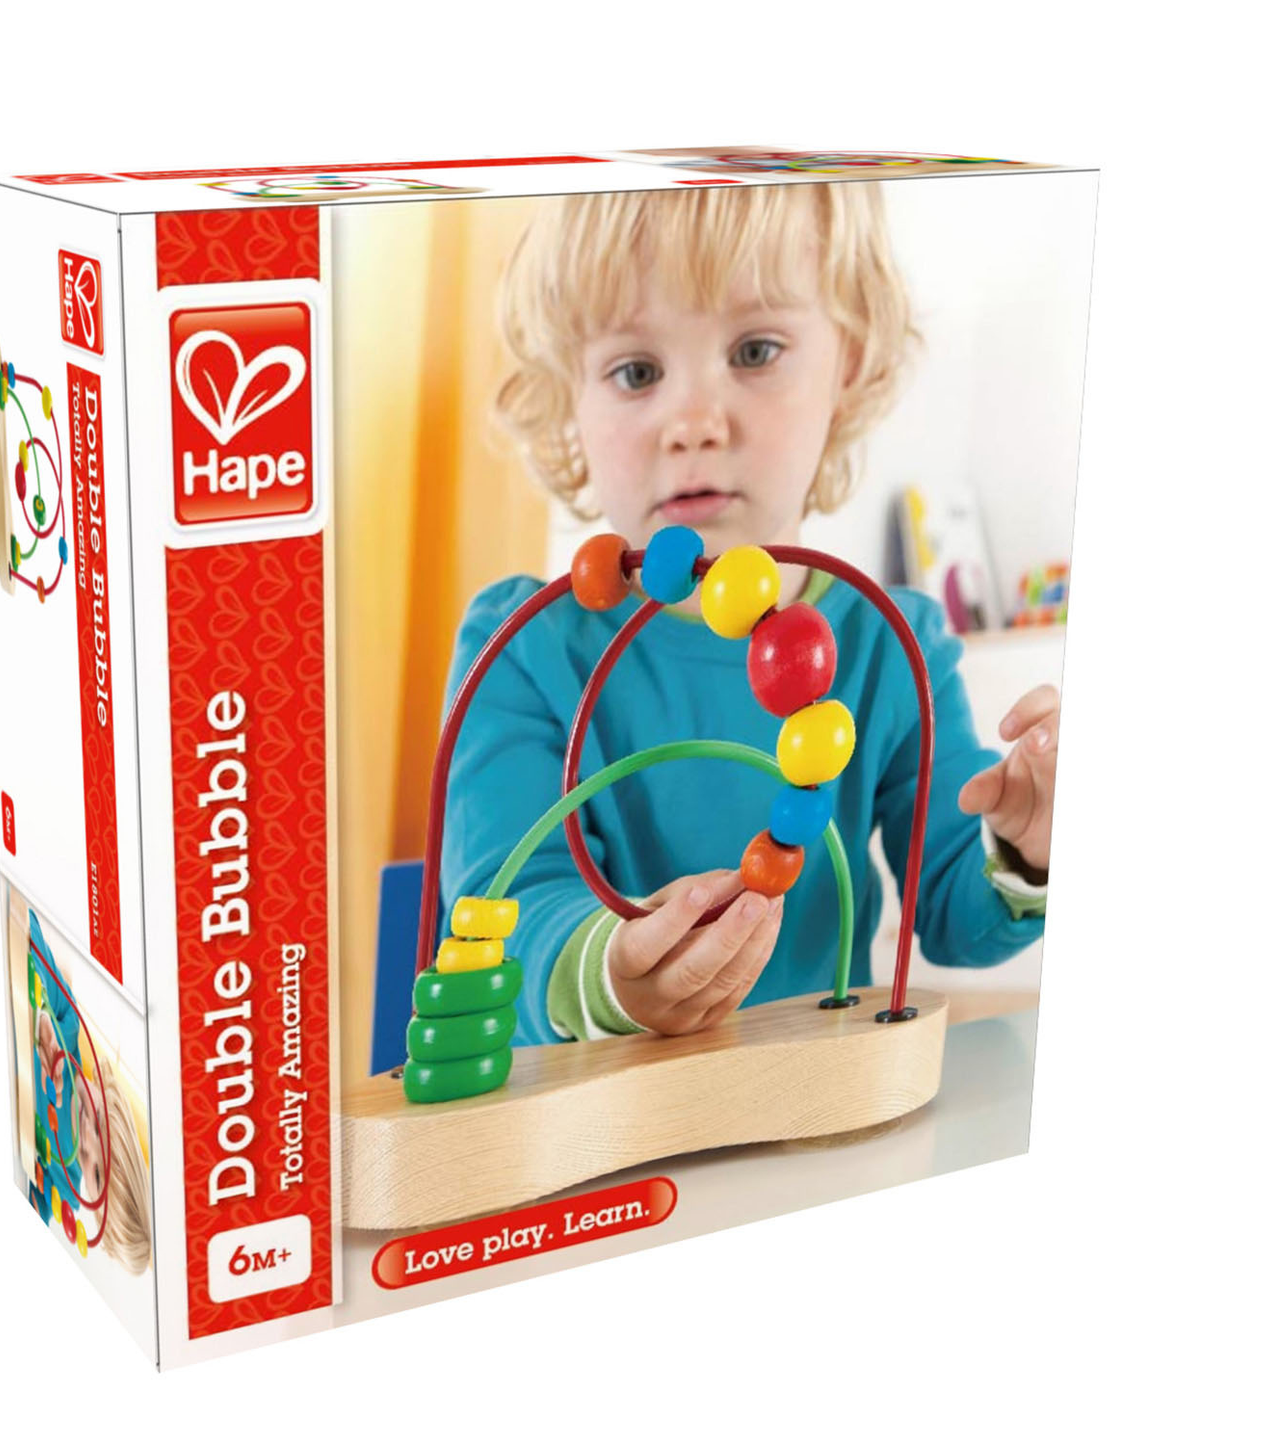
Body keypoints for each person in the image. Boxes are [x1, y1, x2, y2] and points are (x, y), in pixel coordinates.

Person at [440, 183, 1056, 1046]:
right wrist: (613, 973)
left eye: (755, 350)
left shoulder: (894, 644)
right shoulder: (518, 648)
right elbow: (508, 907)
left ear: (847, 365)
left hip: (815, 1107)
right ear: (570, 397)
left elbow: (959, 909)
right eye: (635, 371)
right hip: (587, 1115)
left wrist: (1026, 844)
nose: (693, 423)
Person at [29, 910, 152, 1273]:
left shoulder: (59, 1184)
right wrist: (41, 1018)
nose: (87, 1140)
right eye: (100, 1125)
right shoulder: (68, 1026)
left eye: (94, 1173)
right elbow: (26, 928)